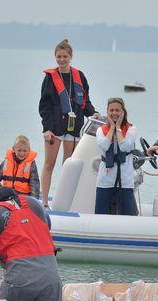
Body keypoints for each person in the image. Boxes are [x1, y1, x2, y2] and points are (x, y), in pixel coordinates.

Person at [39, 38, 101, 207]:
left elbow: (85, 101)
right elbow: (44, 106)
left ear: (70, 57)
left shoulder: (79, 76)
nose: (62, 59)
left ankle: (64, 202)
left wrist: (92, 112)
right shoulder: (50, 78)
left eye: (65, 56)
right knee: (49, 164)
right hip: (55, 127)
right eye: (59, 56)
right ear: (55, 57)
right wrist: (47, 129)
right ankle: (44, 201)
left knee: (68, 166)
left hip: (74, 128)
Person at [95, 97, 137, 215]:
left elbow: (125, 147)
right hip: (105, 180)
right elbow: (104, 145)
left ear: (123, 112)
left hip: (125, 180)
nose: (114, 113)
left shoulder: (131, 129)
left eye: (117, 110)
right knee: (101, 214)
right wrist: (112, 128)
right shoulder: (100, 130)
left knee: (127, 215)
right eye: (111, 110)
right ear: (107, 112)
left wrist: (118, 128)